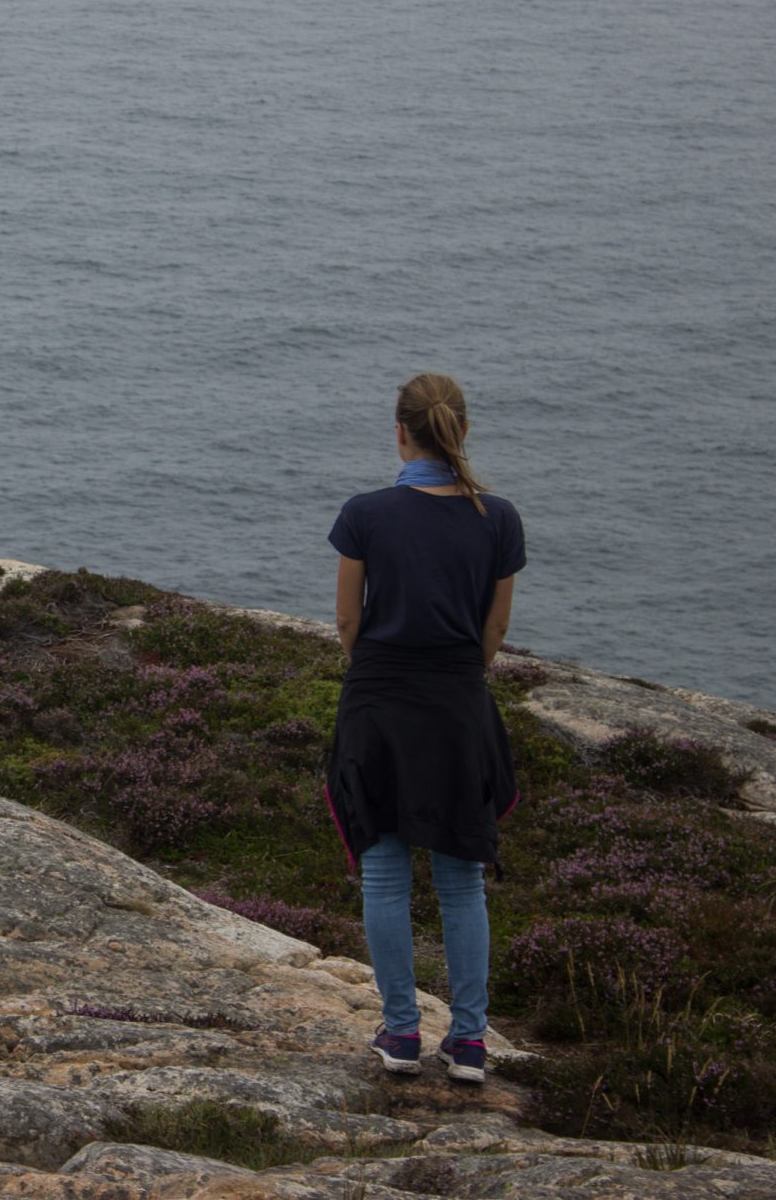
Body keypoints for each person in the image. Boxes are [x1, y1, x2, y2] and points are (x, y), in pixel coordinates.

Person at [324, 372, 524, 1085]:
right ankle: (469, 1042)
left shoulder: (365, 514)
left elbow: (348, 619)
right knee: (461, 878)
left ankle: (402, 1032)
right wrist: (460, 677)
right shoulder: (497, 518)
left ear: (400, 432)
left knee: (383, 872)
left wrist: (374, 672)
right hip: (456, 698)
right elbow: (495, 625)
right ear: (462, 432)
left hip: (378, 697)